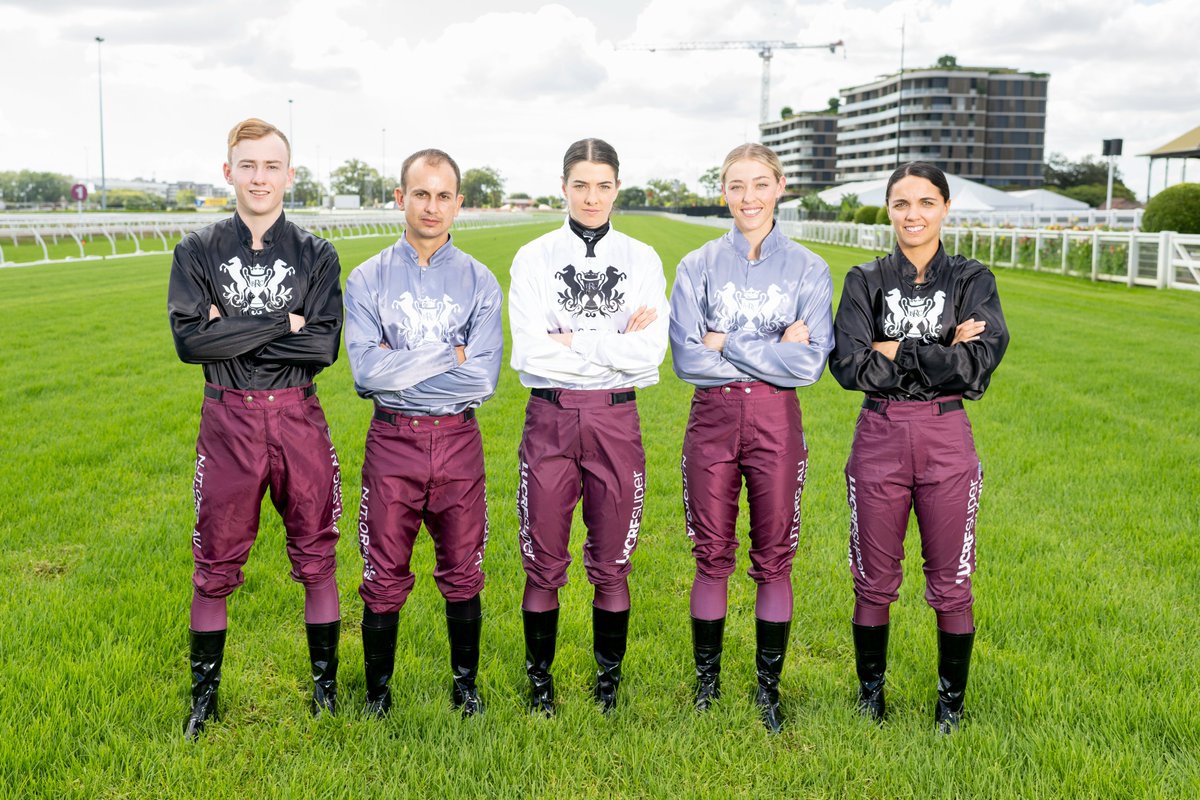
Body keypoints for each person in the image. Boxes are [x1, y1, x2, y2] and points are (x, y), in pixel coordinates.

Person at [168, 118, 344, 739]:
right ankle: (203, 703)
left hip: (299, 417)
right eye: (248, 166)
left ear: (289, 175)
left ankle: (325, 693)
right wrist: (284, 323)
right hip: (228, 421)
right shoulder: (196, 251)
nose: (260, 177)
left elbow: (323, 348)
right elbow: (191, 342)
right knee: (214, 561)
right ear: (228, 173)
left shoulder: (318, 253)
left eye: (272, 166)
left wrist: (235, 323)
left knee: (317, 557)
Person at [829, 161, 1009, 733]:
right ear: (889, 210)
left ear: (945, 208)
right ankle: (869, 697)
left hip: (945, 436)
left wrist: (894, 348)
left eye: (926, 202)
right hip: (879, 435)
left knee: (952, 577)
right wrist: (938, 348)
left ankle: (949, 707)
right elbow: (849, 365)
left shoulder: (973, 279)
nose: (914, 214)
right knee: (873, 575)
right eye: (902, 203)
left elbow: (978, 365)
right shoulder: (865, 279)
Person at [668, 143, 834, 732]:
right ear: (723, 193)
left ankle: (768, 690)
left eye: (759, 185)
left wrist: (728, 343)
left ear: (780, 186)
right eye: (736, 187)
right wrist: (773, 349)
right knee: (711, 555)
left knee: (774, 557)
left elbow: (809, 366)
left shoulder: (810, 268)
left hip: (775, 421)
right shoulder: (698, 265)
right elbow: (687, 360)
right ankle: (706, 686)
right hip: (711, 419)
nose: (748, 198)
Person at [508, 138, 669, 715]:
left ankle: (608, 687)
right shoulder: (534, 257)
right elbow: (529, 355)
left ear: (617, 188)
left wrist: (573, 338)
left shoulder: (642, 258)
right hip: (549, 417)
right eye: (581, 185)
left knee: (611, 561)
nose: (592, 196)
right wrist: (616, 342)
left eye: (603, 185)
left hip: (615, 417)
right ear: (564, 188)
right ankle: (540, 686)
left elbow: (651, 354)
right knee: (544, 560)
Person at [343, 149, 502, 719]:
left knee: (463, 567)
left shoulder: (480, 281)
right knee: (382, 570)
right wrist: (450, 352)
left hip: (459, 439)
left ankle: (466, 687)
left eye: (443, 196)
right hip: (393, 440)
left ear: (459, 203)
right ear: (400, 199)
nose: (431, 207)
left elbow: (482, 376)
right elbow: (366, 373)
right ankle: (378, 696)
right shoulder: (366, 278)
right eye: (420, 194)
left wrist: (405, 361)